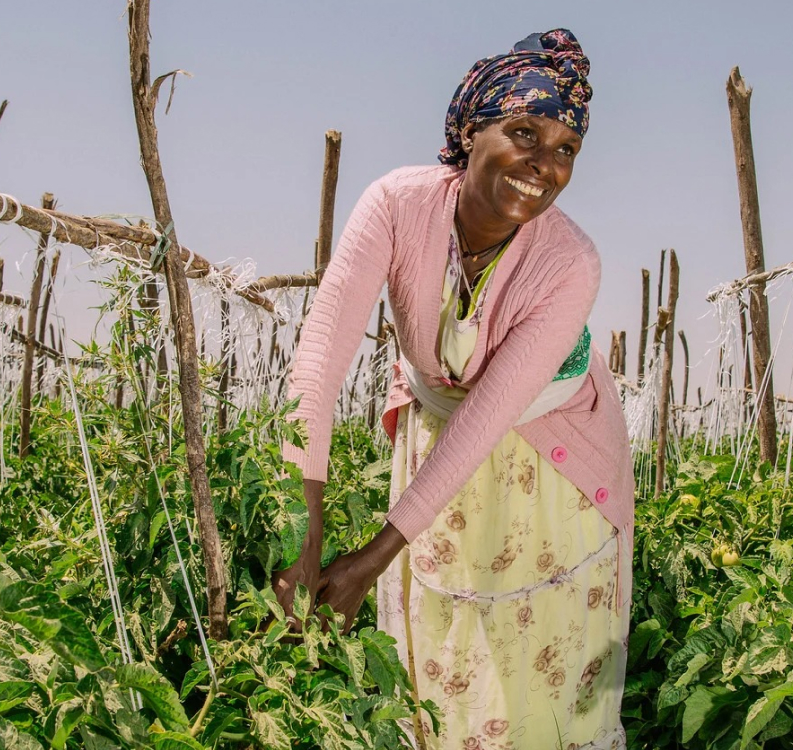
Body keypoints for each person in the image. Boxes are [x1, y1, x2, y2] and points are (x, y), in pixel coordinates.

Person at [277, 28, 634, 750]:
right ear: (471, 130)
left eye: (566, 149)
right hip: (438, 441)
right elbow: (319, 362)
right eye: (525, 132)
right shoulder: (397, 205)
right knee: (437, 666)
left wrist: (371, 558)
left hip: (547, 464)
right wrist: (302, 537)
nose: (544, 165)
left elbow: (490, 415)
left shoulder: (570, 263)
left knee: (537, 681)